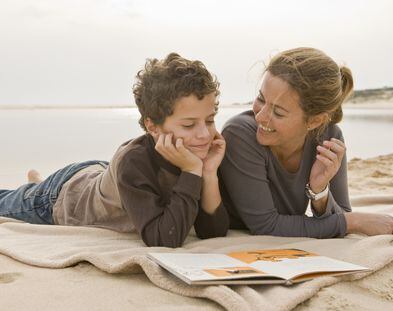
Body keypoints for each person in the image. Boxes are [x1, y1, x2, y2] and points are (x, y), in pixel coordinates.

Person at [0, 53, 229, 247]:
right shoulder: (135, 161)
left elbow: (213, 232)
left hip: (101, 174)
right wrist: (191, 172)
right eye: (189, 125)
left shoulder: (196, 154)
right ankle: (38, 187)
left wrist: (208, 174)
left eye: (209, 121)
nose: (204, 134)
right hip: (62, 197)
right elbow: (164, 239)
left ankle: (36, 182)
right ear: (153, 127)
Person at [219, 47, 393, 238]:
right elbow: (266, 225)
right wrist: (354, 221)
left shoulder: (329, 137)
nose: (260, 116)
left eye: (278, 112)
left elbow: (340, 213)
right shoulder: (240, 134)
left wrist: (319, 191)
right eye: (260, 98)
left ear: (315, 121)